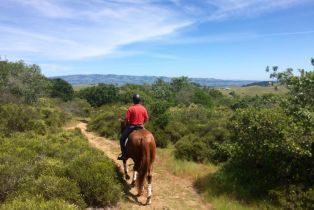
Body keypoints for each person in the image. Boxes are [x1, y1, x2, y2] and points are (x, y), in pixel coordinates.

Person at [118, 94, 149, 160]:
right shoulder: (143, 108)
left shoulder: (131, 108)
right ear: (139, 100)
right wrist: (142, 123)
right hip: (141, 127)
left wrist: (128, 123)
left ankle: (123, 154)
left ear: (133, 100)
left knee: (122, 139)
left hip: (132, 127)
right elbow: (146, 118)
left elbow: (126, 119)